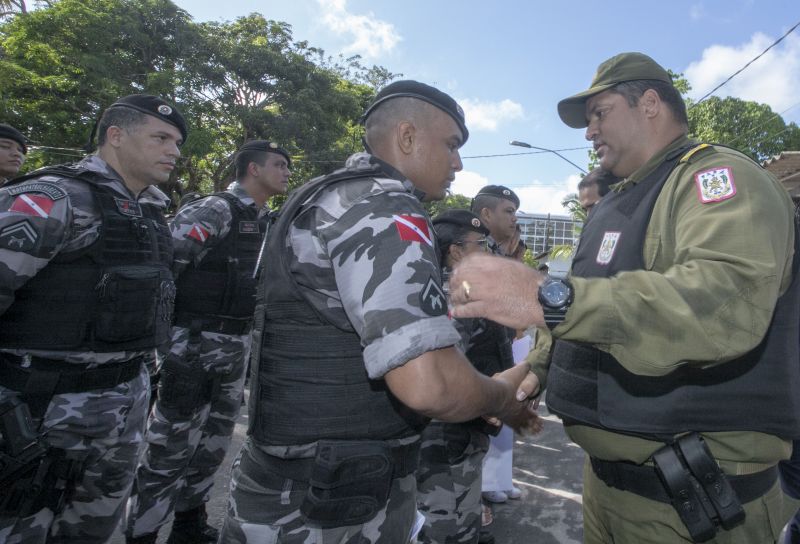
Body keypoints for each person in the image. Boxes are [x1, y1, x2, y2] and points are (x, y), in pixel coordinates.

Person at [449, 52, 800, 543]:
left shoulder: (718, 180)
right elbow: (594, 312)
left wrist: (545, 295)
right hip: (611, 486)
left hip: (692, 505)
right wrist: (533, 373)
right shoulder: (618, 200)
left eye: (600, 113)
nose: (590, 132)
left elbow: (724, 306)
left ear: (650, 103)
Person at [217, 80, 539, 543]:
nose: (458, 163)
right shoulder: (384, 207)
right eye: (451, 145)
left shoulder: (323, 195)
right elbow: (429, 383)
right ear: (407, 137)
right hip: (332, 505)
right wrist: (499, 397)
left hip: (297, 485)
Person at [0, 94, 186, 543]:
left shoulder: (152, 212)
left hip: (121, 417)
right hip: (39, 417)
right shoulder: (51, 199)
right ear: (116, 136)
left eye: (178, 142)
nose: (175, 152)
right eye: (161, 138)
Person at [125, 140, 291, 544]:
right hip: (193, 346)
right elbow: (163, 268)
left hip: (234, 348)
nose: (287, 172)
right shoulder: (215, 209)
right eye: (279, 164)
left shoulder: (266, 220)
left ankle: (188, 526)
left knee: (212, 445)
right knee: (168, 448)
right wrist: (161, 344)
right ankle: (141, 534)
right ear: (253, 169)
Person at [417, 209, 534, 544]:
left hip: (463, 423)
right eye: (479, 244)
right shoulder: (452, 293)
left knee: (461, 504)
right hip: (447, 430)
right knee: (443, 513)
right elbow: (448, 366)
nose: (487, 252)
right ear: (456, 251)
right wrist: (489, 400)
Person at [471, 185, 519, 256]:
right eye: (509, 211)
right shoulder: (471, 250)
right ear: (486, 214)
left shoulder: (491, 249)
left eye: (514, 213)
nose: (515, 219)